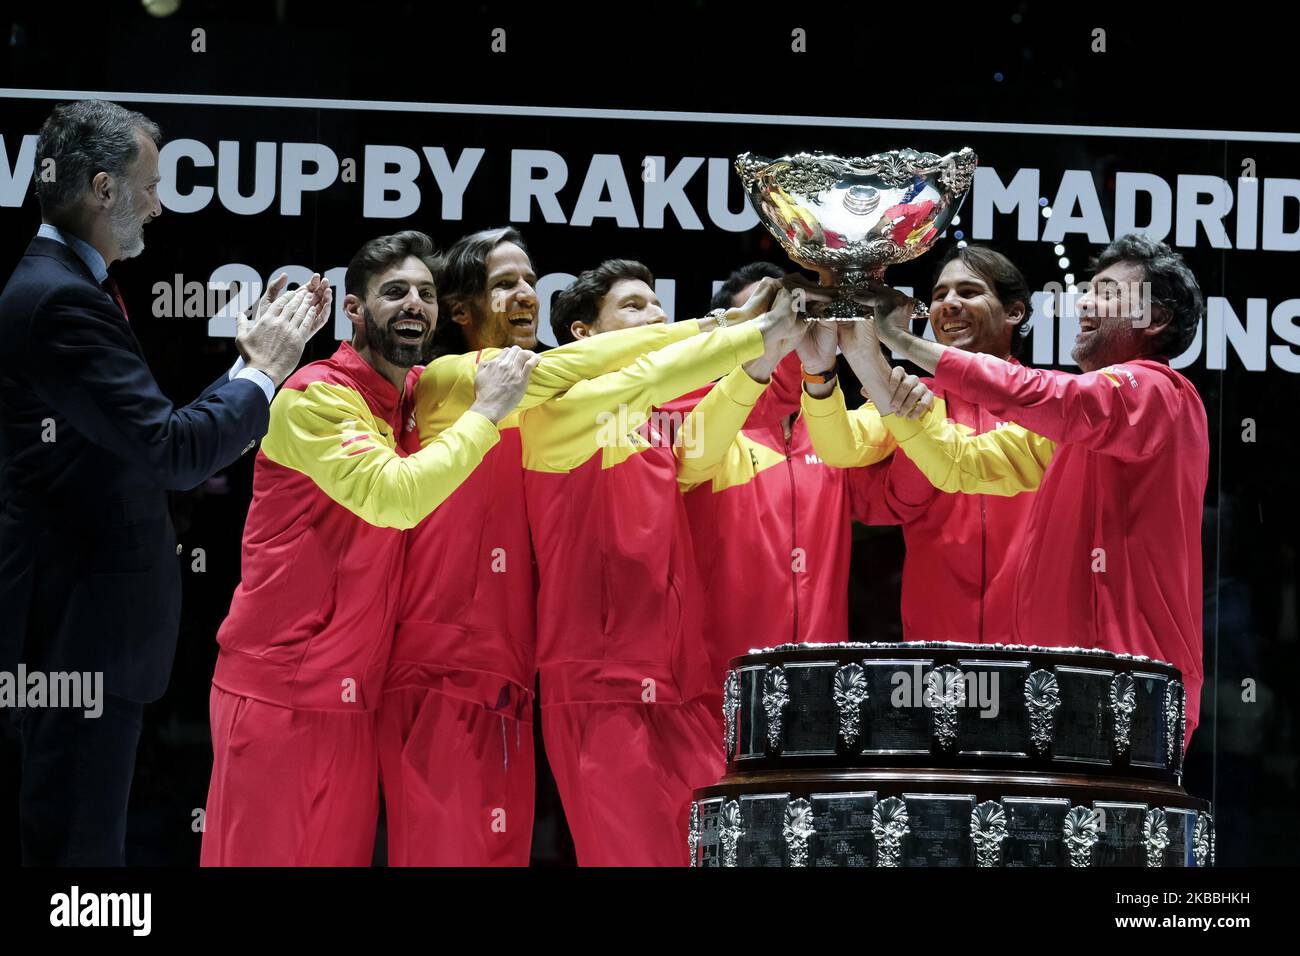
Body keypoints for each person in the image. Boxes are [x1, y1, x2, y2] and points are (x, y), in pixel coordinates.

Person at [0, 99, 325, 866]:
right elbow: (173, 451)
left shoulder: (65, 285)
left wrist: (244, 375)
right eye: (150, 183)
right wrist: (266, 369)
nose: (161, 201)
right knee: (76, 862)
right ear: (103, 189)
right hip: (75, 639)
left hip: (78, 632)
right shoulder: (58, 301)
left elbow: (142, 445)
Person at [383, 230, 741, 865]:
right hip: (443, 665)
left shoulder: (547, 397)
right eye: (503, 284)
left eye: (528, 279)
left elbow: (641, 404)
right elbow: (591, 367)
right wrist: (729, 328)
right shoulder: (448, 377)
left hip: (510, 667)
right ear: (460, 310)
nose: (525, 295)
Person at [200, 231, 540, 866]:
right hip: (279, 694)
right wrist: (485, 414)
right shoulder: (314, 396)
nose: (414, 304)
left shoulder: (408, 395)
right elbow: (395, 496)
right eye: (394, 293)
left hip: (356, 703)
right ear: (354, 310)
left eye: (425, 293)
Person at [854, 233, 1208, 741]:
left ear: (1154, 320)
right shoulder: (1072, 430)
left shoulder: (1159, 392)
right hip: (1057, 690)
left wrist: (907, 342)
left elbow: (1050, 394)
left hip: (1129, 687)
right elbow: (959, 463)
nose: (1085, 301)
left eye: (1107, 293)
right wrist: (869, 358)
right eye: (1087, 290)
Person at [523, 259, 804, 865]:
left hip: (681, 682)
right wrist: (754, 332)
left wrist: (771, 345)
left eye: (657, 306)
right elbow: (649, 378)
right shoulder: (559, 412)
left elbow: (722, 419)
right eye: (632, 307)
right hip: (599, 686)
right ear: (582, 335)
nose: (654, 317)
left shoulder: (655, 428)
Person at [798, 245, 1046, 644]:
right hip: (937, 643)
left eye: (968, 292)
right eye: (939, 295)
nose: (949, 304)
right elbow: (840, 448)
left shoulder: (1045, 401)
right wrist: (819, 376)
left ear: (1014, 312)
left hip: (1038, 642)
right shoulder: (913, 396)